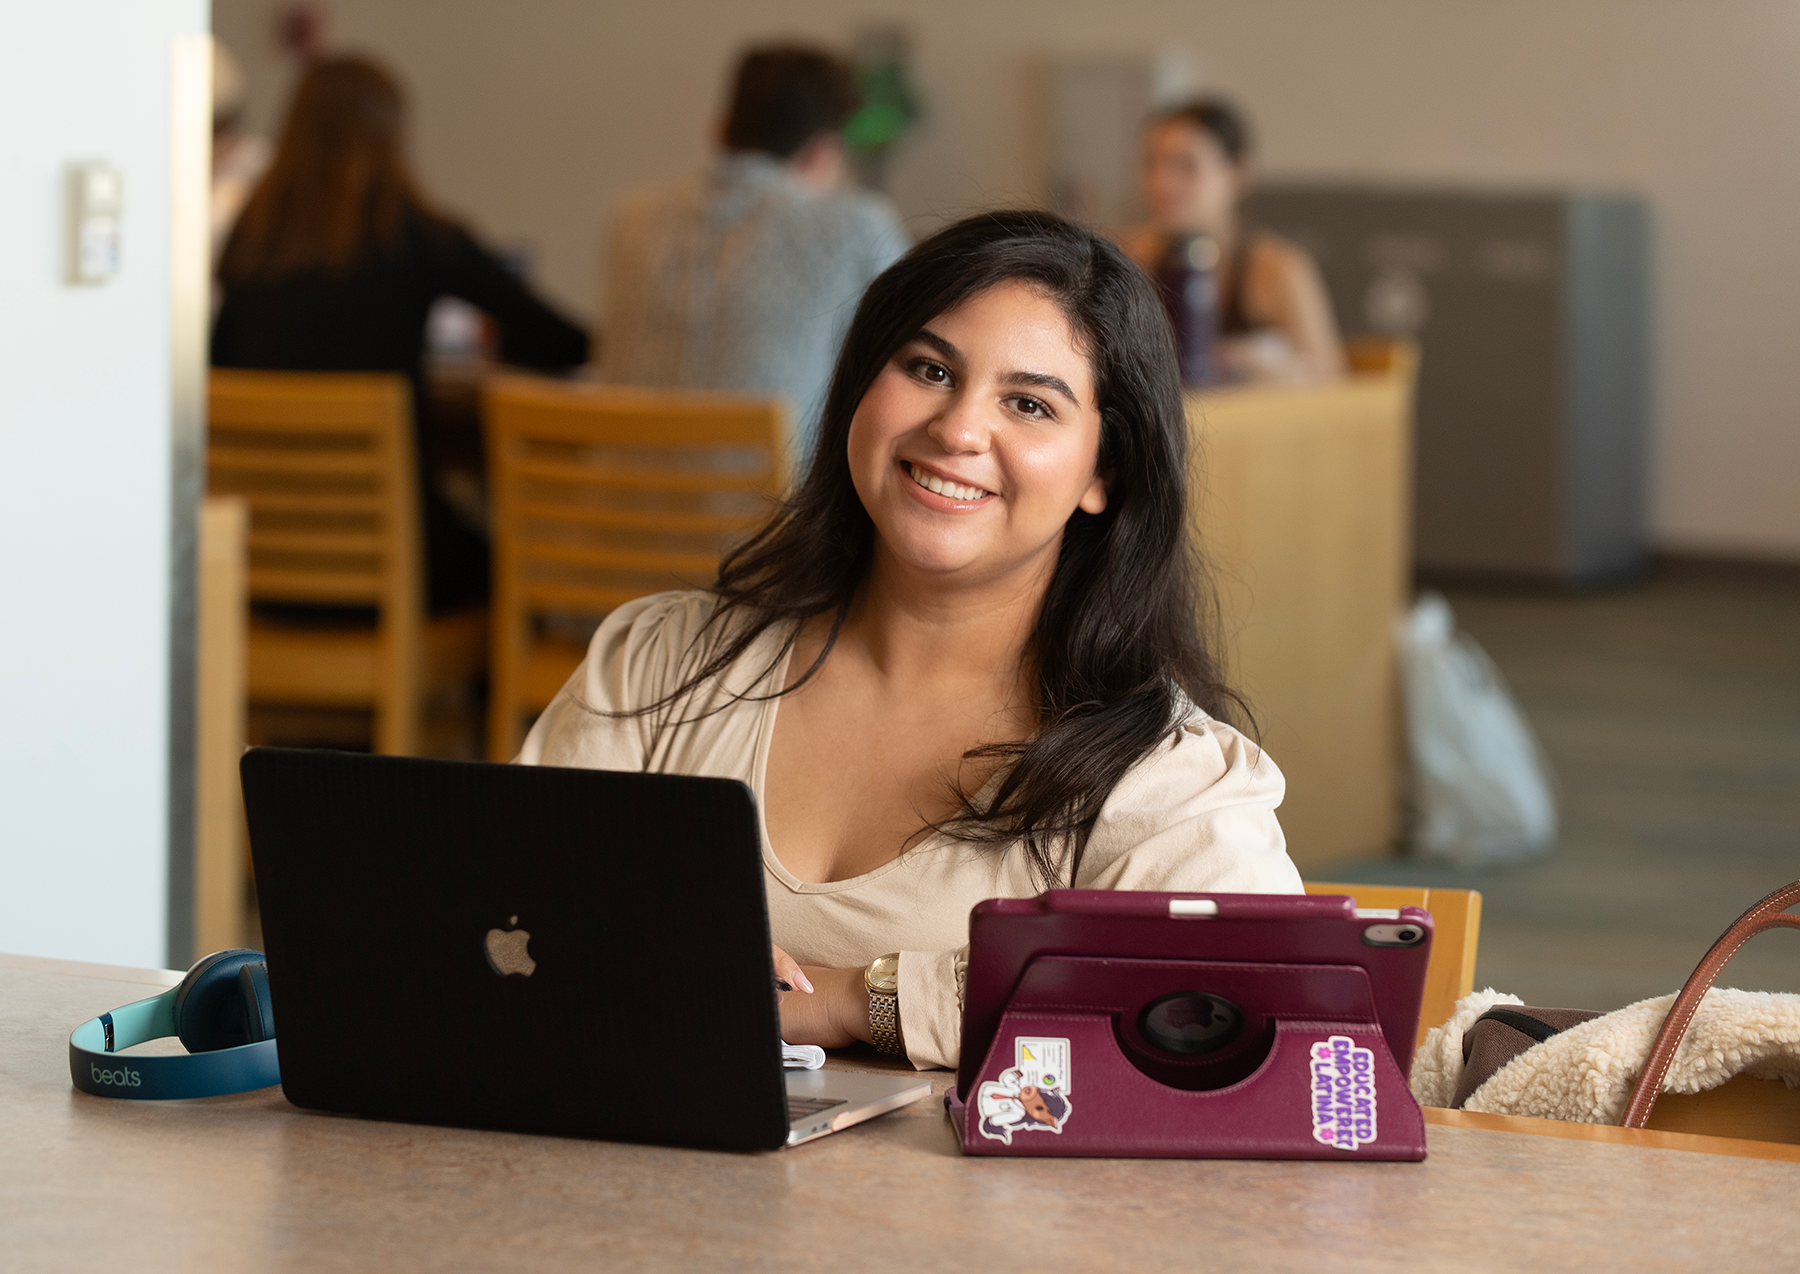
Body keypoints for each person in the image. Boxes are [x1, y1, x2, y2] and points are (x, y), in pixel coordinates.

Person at [520, 210, 1301, 1071]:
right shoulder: (661, 665)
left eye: (1029, 403)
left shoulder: (1166, 782)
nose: (959, 430)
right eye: (930, 369)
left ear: (1102, 474)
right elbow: (505, 918)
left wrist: (860, 999)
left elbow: (1256, 1012)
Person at [213, 56, 589, 613]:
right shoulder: (414, 235)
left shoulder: (249, 242)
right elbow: (568, 341)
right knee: (509, 566)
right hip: (395, 569)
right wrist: (498, 346)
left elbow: (216, 367)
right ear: (390, 136)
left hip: (263, 570)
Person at [601, 44, 909, 460]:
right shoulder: (854, 224)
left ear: (721, 130)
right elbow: (913, 364)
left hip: (615, 513)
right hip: (768, 519)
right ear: (822, 151)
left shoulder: (632, 218)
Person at [1118, 98, 1345, 384]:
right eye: (1153, 164)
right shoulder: (1131, 257)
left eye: (1186, 165)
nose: (1163, 182)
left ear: (1237, 174)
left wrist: (1253, 363)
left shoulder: (1278, 269)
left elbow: (1333, 381)